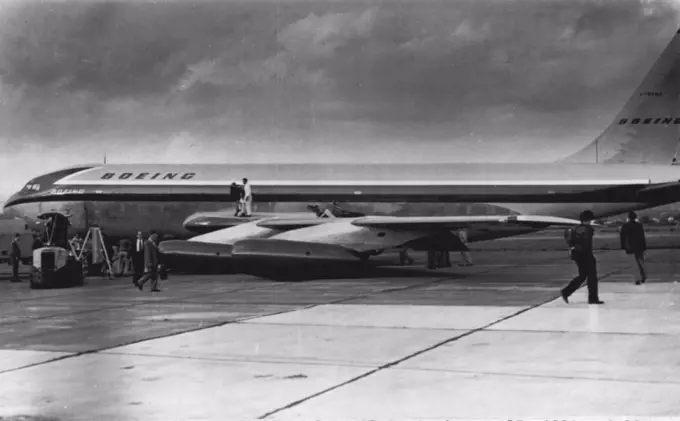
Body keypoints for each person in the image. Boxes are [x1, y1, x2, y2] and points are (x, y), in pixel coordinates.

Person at [561, 210, 604, 305]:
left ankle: (566, 291)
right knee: (592, 277)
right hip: (586, 255)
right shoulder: (588, 229)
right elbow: (587, 244)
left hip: (577, 255)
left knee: (582, 276)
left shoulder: (575, 228)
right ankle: (593, 298)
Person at [620, 211, 647, 285]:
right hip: (639, 247)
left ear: (628, 218)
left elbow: (623, 238)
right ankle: (643, 277)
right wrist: (644, 247)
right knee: (641, 263)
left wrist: (623, 247)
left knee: (634, 264)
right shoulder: (639, 225)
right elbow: (642, 237)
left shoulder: (625, 226)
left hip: (630, 247)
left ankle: (637, 279)